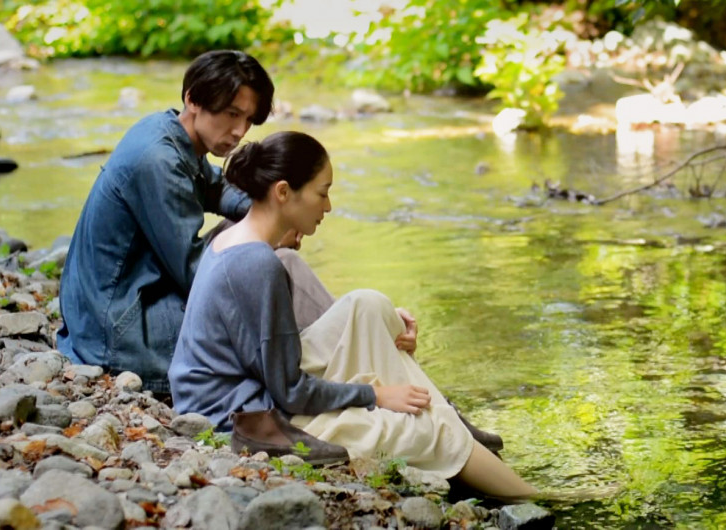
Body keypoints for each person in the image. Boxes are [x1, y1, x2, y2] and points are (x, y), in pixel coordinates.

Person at [168, 132, 536, 498]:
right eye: (322, 192)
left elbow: (273, 363)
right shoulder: (258, 264)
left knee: (369, 306)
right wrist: (374, 396)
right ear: (283, 192)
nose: (327, 207)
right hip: (241, 416)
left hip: (248, 385)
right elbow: (290, 393)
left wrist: (385, 335)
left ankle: (447, 424)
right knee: (428, 429)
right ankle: (528, 495)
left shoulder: (233, 238)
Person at [57, 51, 276, 393]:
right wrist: (269, 232)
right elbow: (196, 272)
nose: (239, 131)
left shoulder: (168, 130)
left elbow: (216, 188)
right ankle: (319, 351)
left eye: (248, 120)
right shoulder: (159, 159)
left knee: (254, 244)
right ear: (192, 99)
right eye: (232, 114)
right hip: (118, 328)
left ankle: (321, 339)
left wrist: (268, 216)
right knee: (260, 257)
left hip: (109, 304)